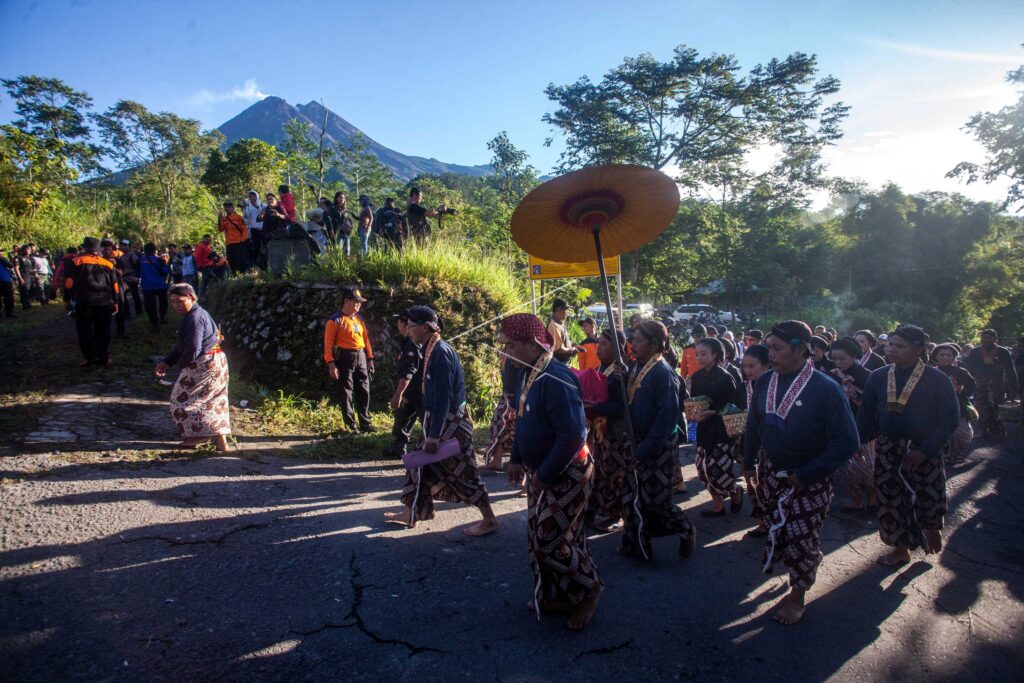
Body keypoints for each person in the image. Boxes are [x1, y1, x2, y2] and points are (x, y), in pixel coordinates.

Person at [743, 320, 859, 625]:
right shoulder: (766, 381)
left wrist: (808, 473)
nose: (771, 354)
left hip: (809, 477)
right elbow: (754, 423)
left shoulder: (826, 389)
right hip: (771, 472)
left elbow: (848, 440)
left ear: (801, 349)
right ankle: (800, 567)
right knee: (778, 529)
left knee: (802, 538)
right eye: (769, 347)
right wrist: (748, 461)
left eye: (777, 348)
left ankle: (797, 595)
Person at [501, 313, 602, 629]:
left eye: (512, 346)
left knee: (550, 541)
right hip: (541, 470)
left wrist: (544, 474)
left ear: (532, 344)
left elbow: (573, 435)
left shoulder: (556, 378)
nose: (507, 352)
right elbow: (523, 422)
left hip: (568, 472)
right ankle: (558, 595)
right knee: (540, 538)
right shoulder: (527, 373)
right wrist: (517, 457)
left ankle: (589, 590)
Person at [386, 305, 498, 536]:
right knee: (418, 466)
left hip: (450, 423)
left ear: (426, 328)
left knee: (465, 473)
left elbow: (444, 397)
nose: (407, 330)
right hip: (437, 419)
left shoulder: (440, 353)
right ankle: (415, 511)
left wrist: (435, 434)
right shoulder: (429, 348)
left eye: (412, 326)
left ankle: (489, 519)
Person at [857, 325, 959, 568]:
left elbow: (950, 419)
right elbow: (867, 414)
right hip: (888, 447)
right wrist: (859, 443)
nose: (891, 349)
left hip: (924, 449)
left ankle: (932, 527)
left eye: (899, 346)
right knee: (890, 499)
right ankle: (900, 549)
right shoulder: (878, 376)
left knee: (929, 494)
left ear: (919, 349)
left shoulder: (937, 379)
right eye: (890, 344)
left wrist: (926, 451)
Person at [154, 283, 230, 452]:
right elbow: (183, 345)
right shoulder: (197, 314)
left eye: (180, 301)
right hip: (217, 361)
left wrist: (183, 368)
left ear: (192, 297)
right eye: (173, 302)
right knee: (214, 401)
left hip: (204, 364)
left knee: (180, 400)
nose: (176, 306)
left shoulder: (194, 318)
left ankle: (196, 436)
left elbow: (192, 349)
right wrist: (168, 361)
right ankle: (221, 441)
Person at [584, 328, 629, 532]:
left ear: (617, 348)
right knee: (598, 472)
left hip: (615, 432)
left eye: (603, 344)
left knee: (614, 474)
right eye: (598, 343)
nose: (598, 347)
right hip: (599, 431)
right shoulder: (602, 368)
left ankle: (615, 514)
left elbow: (622, 406)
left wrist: (596, 406)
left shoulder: (621, 371)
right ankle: (594, 510)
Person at [692, 337, 741, 516]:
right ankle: (718, 504)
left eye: (704, 354)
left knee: (717, 468)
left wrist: (714, 411)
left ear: (715, 354)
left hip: (721, 429)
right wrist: (693, 411)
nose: (700, 358)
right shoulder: (696, 377)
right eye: (697, 354)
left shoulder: (725, 376)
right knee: (701, 468)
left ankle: (735, 492)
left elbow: (734, 404)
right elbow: (695, 400)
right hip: (703, 428)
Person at [829, 337, 877, 512]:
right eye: (834, 359)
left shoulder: (868, 376)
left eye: (842, 358)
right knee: (843, 467)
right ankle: (855, 497)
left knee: (867, 465)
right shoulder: (831, 376)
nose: (838, 362)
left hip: (864, 427)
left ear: (854, 356)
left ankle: (873, 495)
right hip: (840, 426)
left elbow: (873, 405)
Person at [323, 288, 375, 433]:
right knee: (347, 391)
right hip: (345, 357)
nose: (359, 305)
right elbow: (328, 345)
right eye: (356, 302)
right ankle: (350, 424)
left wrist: (370, 358)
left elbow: (366, 339)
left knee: (364, 389)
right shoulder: (335, 320)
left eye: (360, 302)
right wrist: (331, 364)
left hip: (361, 356)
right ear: (346, 301)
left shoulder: (359, 319)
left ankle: (365, 423)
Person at [64, 237, 118, 367]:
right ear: (98, 249)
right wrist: (115, 302)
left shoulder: (76, 261)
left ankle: (91, 357)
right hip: (104, 301)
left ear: (84, 248)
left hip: (85, 301)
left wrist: (67, 300)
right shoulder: (108, 264)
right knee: (103, 330)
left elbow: (69, 283)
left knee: (85, 330)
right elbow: (115, 285)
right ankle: (103, 357)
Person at [737, 343, 771, 537]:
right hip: (749, 440)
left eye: (752, 366)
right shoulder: (744, 387)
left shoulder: (773, 386)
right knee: (754, 483)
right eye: (745, 366)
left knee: (768, 486)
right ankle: (762, 522)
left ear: (766, 366)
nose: (747, 370)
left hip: (768, 444)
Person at [964, 329, 1018, 438]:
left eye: (989, 337)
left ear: (995, 339)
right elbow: (969, 369)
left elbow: (1010, 370)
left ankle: (995, 427)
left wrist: (1014, 387)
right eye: (983, 338)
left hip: (996, 384)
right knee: (981, 406)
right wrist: (967, 384)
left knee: (993, 406)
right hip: (979, 383)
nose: (986, 340)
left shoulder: (1003, 352)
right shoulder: (975, 352)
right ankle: (984, 429)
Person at [383, 313, 423, 459]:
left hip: (413, 390)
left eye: (399, 322)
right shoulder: (412, 341)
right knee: (403, 419)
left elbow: (408, 372)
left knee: (411, 418)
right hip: (417, 389)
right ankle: (400, 448)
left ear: (404, 324)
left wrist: (398, 395)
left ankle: (429, 451)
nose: (397, 325)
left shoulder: (411, 343)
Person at [931, 343, 976, 465]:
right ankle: (943, 454)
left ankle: (957, 452)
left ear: (953, 357)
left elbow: (971, 385)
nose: (945, 357)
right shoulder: (929, 372)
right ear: (936, 356)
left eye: (949, 355)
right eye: (942, 354)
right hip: (934, 406)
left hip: (957, 405)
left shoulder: (960, 371)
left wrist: (961, 394)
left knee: (963, 433)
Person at [481, 352, 520, 471]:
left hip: (515, 397)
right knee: (498, 425)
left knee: (505, 426)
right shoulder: (509, 349)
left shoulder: (518, 352)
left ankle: (519, 462)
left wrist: (513, 402)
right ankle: (497, 460)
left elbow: (516, 379)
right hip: (508, 396)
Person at [138, 242, 170, 332]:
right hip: (160, 285)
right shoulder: (159, 260)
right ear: (154, 250)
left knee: (150, 305)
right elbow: (165, 271)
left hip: (147, 286)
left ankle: (155, 323)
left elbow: (137, 272)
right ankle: (162, 317)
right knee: (163, 302)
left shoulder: (140, 260)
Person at [100, 240, 128, 340]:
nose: (106, 252)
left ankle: (121, 331)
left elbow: (121, 273)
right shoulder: (98, 262)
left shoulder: (117, 261)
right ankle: (104, 333)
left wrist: (112, 266)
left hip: (117, 288)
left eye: (108, 249)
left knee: (120, 311)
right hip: (103, 290)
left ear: (112, 250)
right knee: (104, 311)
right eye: (104, 249)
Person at [218, 201, 249, 274]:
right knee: (231, 261)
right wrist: (219, 219)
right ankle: (235, 276)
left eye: (229, 207)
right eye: (226, 207)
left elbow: (244, 229)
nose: (227, 208)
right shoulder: (224, 218)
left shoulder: (238, 217)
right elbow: (221, 229)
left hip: (239, 243)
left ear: (232, 208)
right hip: (229, 244)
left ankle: (243, 275)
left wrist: (243, 239)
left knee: (241, 261)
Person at [546, 298, 580, 364]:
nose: (566, 313)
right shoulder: (553, 325)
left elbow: (563, 341)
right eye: (565, 310)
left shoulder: (560, 323)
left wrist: (574, 345)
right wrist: (571, 351)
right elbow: (558, 349)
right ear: (558, 310)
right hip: (558, 364)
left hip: (563, 363)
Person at [242, 190, 265, 259]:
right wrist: (244, 208)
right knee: (256, 247)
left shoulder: (263, 205)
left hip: (264, 229)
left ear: (257, 196)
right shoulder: (248, 208)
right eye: (250, 196)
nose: (252, 198)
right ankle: (257, 263)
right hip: (254, 230)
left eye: (253, 196)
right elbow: (246, 219)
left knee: (266, 246)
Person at [0, 252, 15, 317]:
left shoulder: (3, 259)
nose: (1, 252)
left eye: (1, 251)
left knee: (9, 297)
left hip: (6, 279)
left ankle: (9, 313)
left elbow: (11, 266)